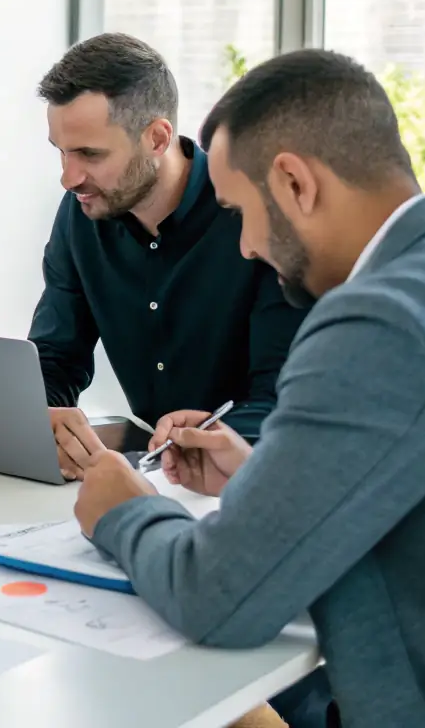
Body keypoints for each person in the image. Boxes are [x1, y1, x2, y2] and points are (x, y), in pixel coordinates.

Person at [74, 50, 425, 727]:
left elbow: (218, 598)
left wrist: (122, 510)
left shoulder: (378, 319)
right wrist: (260, 480)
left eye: (239, 212)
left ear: (294, 183)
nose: (242, 247)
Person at [31, 33, 306, 480]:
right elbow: (55, 354)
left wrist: (201, 446)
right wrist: (43, 417)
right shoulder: (82, 214)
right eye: (61, 152)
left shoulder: (252, 217)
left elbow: (281, 397)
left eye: (90, 154)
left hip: (247, 482)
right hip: (150, 476)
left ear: (157, 138)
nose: (69, 177)